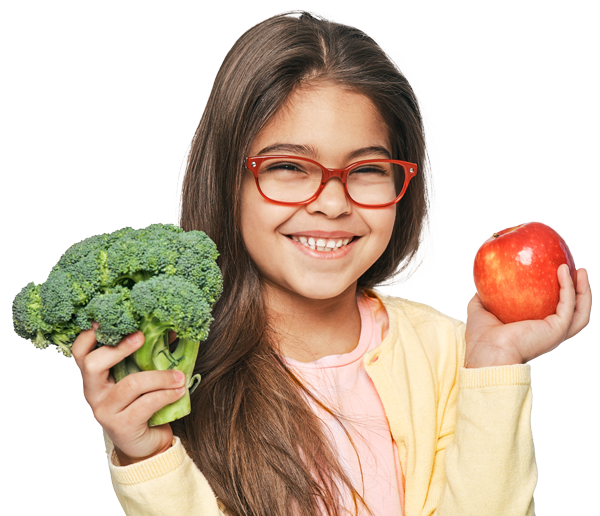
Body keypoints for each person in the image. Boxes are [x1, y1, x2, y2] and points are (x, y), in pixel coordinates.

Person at [70, 10, 592, 516]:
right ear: (228, 179)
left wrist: (494, 365)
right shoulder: (175, 372)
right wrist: (150, 456)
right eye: (289, 166)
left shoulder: (449, 358)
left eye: (366, 168)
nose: (332, 202)